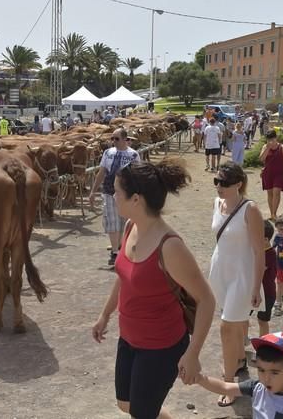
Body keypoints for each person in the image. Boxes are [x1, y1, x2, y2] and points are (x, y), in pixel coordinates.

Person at [92, 159, 216, 419]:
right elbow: (124, 277)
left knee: (141, 413)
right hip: (129, 338)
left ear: (136, 199)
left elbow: (206, 300)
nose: (114, 196)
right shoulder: (130, 228)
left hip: (161, 347)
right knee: (125, 404)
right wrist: (105, 315)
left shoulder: (170, 247)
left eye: (117, 191)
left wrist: (193, 354)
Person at [208, 162, 264, 407]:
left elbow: (259, 252)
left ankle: (229, 384)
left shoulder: (250, 209)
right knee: (236, 321)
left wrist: (256, 287)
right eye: (216, 181)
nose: (219, 187)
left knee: (226, 328)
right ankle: (239, 358)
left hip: (242, 276)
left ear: (238, 184)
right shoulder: (216, 203)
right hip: (220, 271)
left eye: (224, 183)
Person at [196, 332, 283, 418]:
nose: (266, 378)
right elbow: (225, 387)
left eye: (274, 372)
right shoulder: (257, 387)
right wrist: (199, 378)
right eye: (261, 370)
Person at [89, 129, 141, 266]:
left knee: (124, 222)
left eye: (116, 139)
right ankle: (115, 252)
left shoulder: (133, 155)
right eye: (112, 138)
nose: (114, 141)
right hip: (108, 191)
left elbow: (137, 175)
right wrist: (93, 191)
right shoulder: (108, 153)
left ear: (125, 139)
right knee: (112, 221)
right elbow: (102, 172)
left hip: (126, 193)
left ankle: (122, 248)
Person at [259, 130, 283, 221]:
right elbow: (261, 159)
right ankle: (271, 213)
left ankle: (274, 213)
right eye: (269, 140)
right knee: (270, 193)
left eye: (272, 139)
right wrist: (267, 148)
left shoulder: (282, 147)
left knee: (276, 192)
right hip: (268, 173)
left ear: (276, 138)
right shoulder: (265, 147)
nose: (271, 141)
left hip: (280, 173)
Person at [257, 220, 278, 336]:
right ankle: (244, 340)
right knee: (243, 317)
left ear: (265, 239)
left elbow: (257, 269)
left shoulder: (270, 254)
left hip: (266, 294)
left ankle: (263, 343)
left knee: (262, 321)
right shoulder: (258, 250)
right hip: (255, 291)